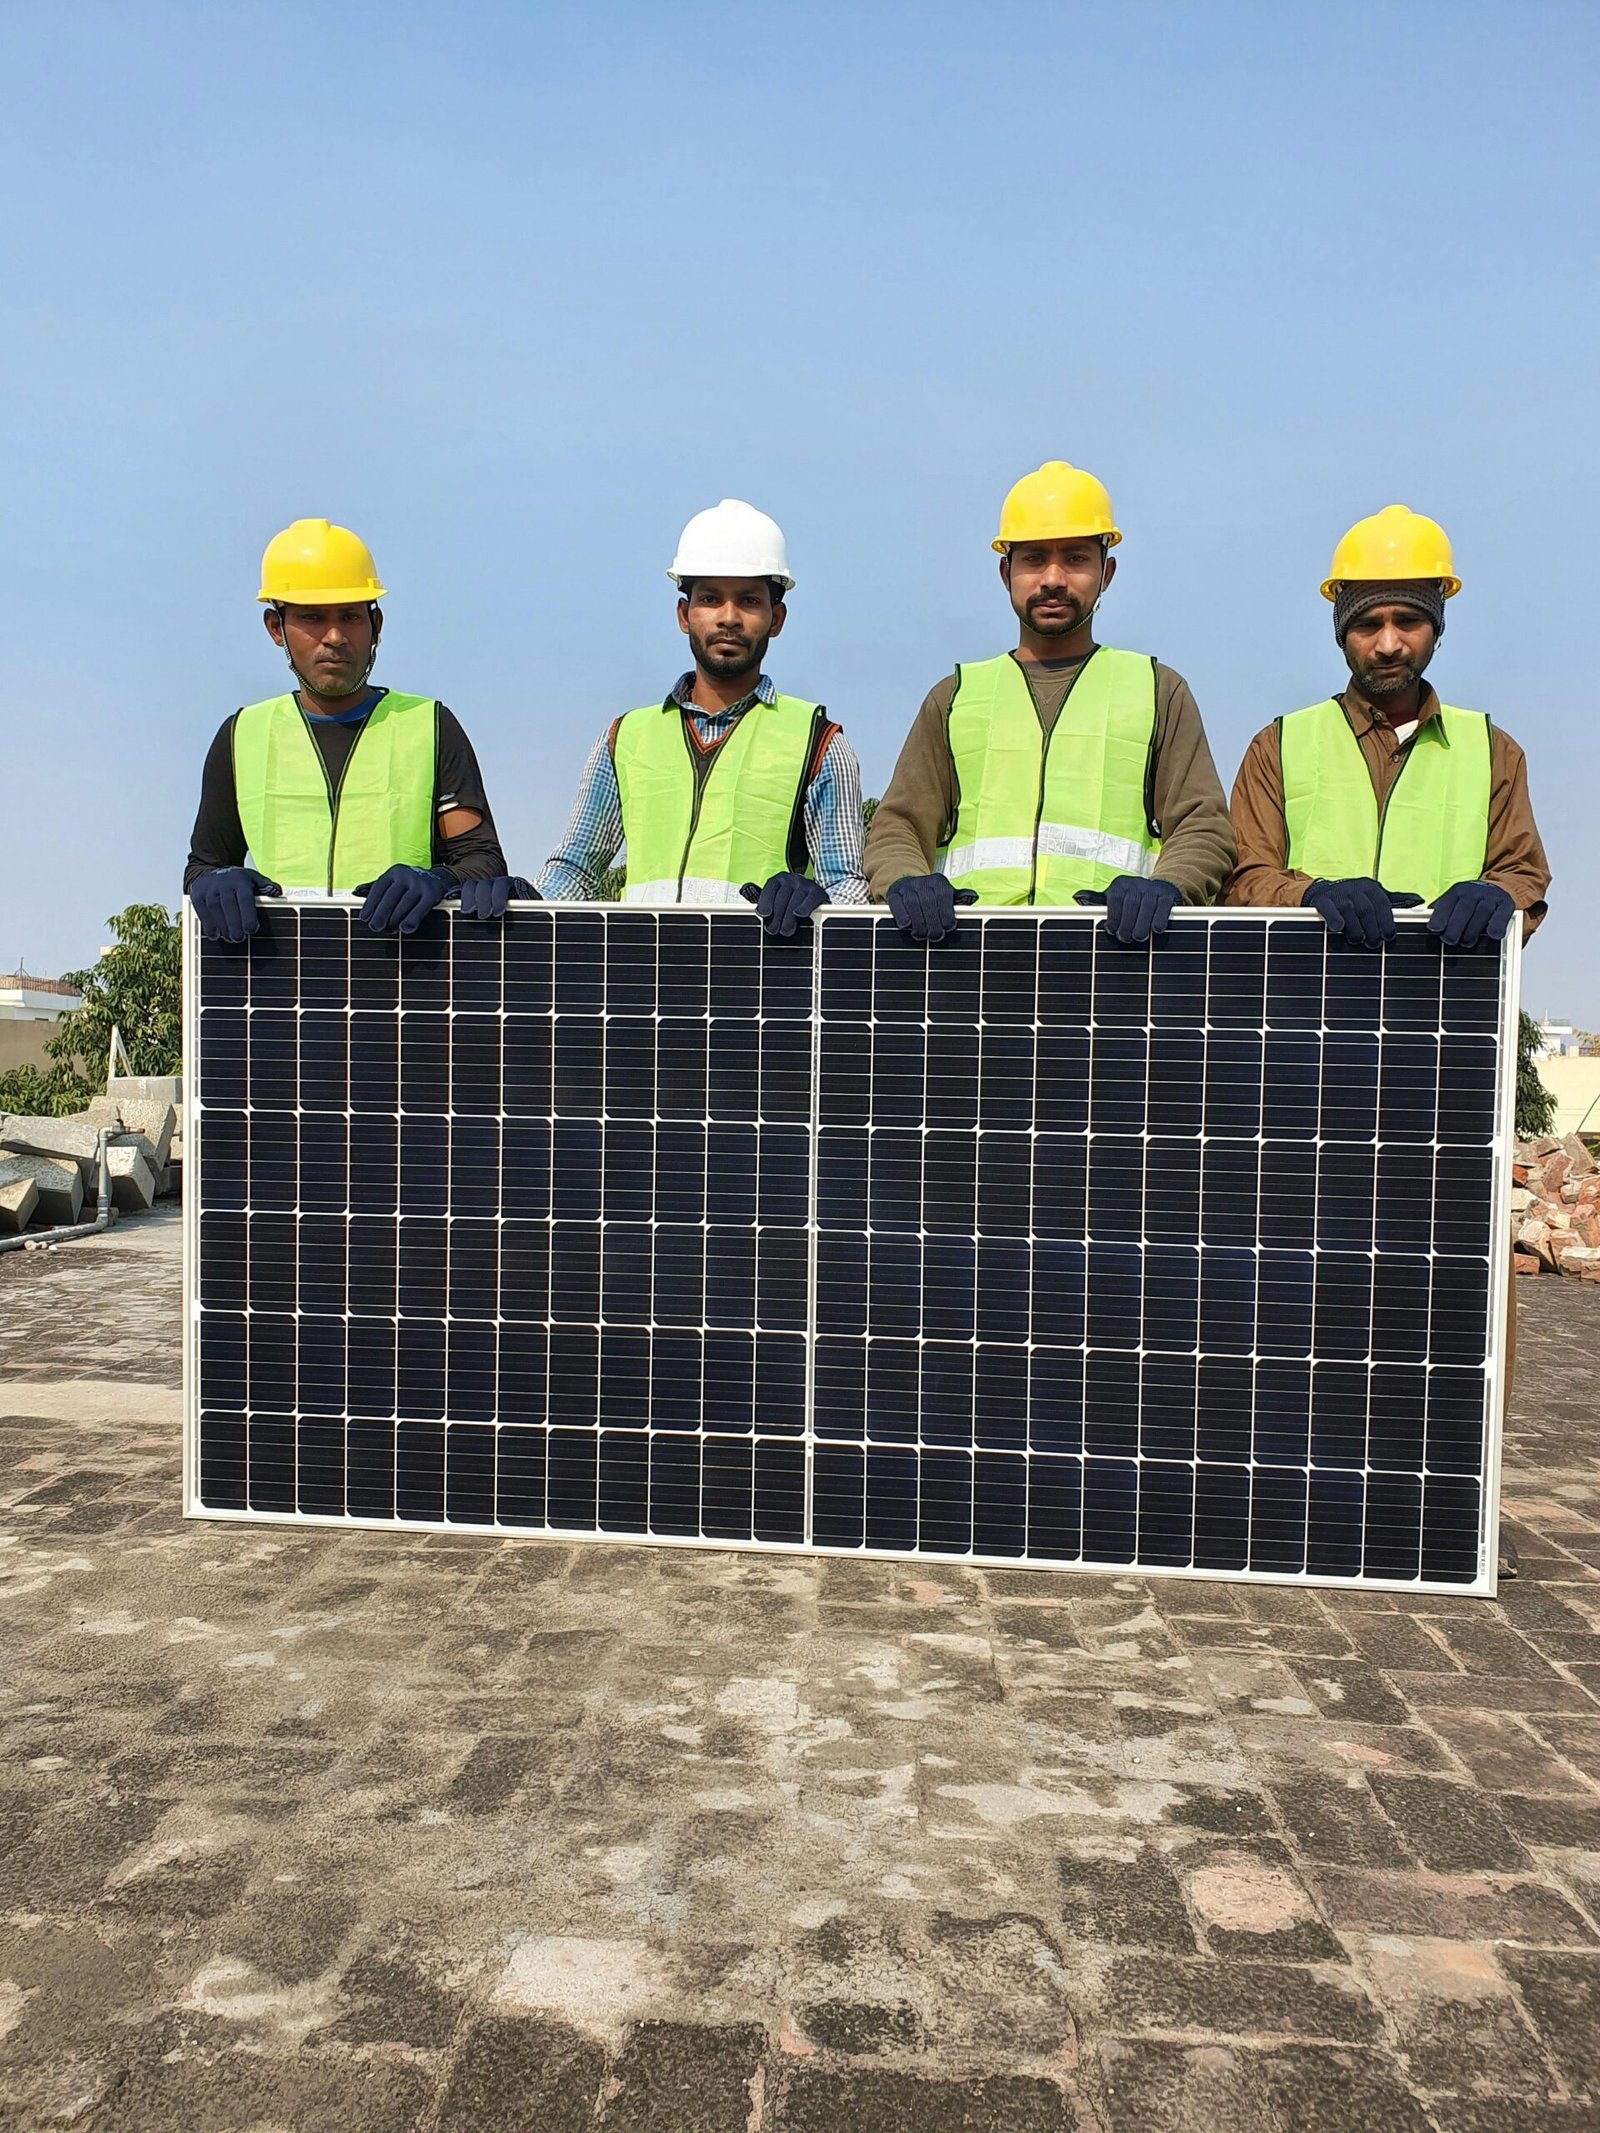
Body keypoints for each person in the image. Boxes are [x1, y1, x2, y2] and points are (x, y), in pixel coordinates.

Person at [863, 461, 1235, 944]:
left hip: (1114, 960)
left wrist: (1169, 886)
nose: (1054, 578)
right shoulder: (954, 697)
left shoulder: (1158, 690)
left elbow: (1203, 825)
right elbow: (898, 826)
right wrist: (905, 881)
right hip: (972, 958)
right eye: (1034, 559)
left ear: (1107, 573)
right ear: (1006, 573)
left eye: (1076, 558)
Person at [537, 500, 868, 933]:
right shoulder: (625, 737)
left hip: (759, 972)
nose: (728, 617)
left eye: (748, 601)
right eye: (710, 599)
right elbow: (575, 871)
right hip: (643, 969)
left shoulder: (818, 741)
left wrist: (819, 901)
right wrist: (524, 906)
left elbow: (846, 887)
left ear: (776, 619)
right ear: (684, 615)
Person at [1227, 504, 1549, 947]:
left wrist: (1496, 894)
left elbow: (1523, 873)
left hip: (1442, 982)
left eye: (1409, 621)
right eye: (1367, 624)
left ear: (1437, 629)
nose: (1388, 644)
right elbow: (1242, 879)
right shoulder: (1277, 747)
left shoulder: (1494, 752)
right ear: (1341, 634)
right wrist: (1311, 896)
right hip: (1307, 984)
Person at [186, 518, 523, 941]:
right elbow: (203, 866)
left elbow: (482, 861)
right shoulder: (242, 735)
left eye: (350, 616)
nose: (334, 636)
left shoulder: (431, 726)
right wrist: (216, 880)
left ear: (375, 624)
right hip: (281, 971)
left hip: (406, 968)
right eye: (312, 617)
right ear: (275, 628)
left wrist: (438, 879)